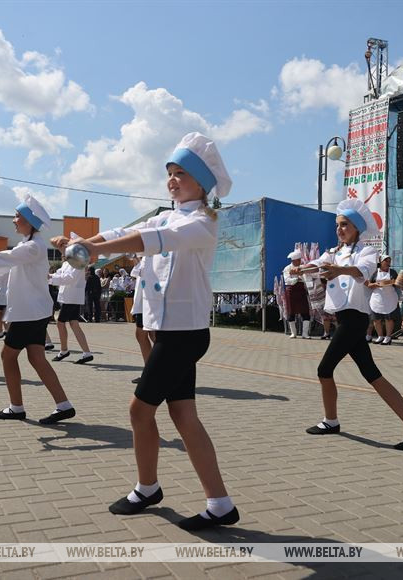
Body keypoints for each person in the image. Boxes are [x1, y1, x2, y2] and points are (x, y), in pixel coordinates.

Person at [52, 133, 239, 531]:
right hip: (169, 331)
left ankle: (147, 487)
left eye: (182, 173)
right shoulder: (168, 215)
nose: (172, 180)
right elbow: (126, 229)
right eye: (170, 173)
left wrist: (93, 250)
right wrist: (85, 241)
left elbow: (147, 241)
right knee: (183, 413)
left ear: (203, 182)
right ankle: (220, 503)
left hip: (183, 334)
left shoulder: (201, 222)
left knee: (139, 411)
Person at [296, 198, 403, 450]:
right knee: (373, 375)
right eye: (337, 225)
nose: (339, 229)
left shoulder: (366, 252)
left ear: (356, 227)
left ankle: (331, 421)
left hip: (355, 321)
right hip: (344, 320)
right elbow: (318, 264)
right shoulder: (335, 252)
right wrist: (300, 269)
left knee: (324, 370)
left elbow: (362, 272)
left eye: (344, 224)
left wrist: (339, 270)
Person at [0, 195, 77, 424]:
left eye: (17, 216)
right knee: (37, 358)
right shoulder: (27, 246)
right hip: (33, 311)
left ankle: (16, 407)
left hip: (28, 313)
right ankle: (63, 405)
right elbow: (0, 268)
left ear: (29, 221)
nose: (13, 220)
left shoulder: (32, 247)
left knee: (8, 356)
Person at [48, 260, 95, 364]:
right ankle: (87, 353)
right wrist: (49, 276)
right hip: (69, 297)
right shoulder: (66, 263)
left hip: (71, 297)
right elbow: (59, 274)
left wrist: (49, 277)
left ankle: (64, 350)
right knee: (74, 324)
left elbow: (69, 278)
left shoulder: (78, 262)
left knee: (60, 323)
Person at [129, 257, 154, 384]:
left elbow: (140, 270)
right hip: (142, 301)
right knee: (142, 334)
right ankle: (150, 372)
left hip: (151, 299)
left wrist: (136, 257)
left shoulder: (152, 252)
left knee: (157, 337)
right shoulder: (144, 256)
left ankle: (156, 372)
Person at [367, 254, 399, 345]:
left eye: (389, 261)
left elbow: (396, 283)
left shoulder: (393, 272)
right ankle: (380, 336)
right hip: (377, 299)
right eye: (386, 261)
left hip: (389, 298)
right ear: (380, 262)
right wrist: (375, 285)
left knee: (389, 319)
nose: (388, 263)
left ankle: (388, 337)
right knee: (376, 319)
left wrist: (394, 282)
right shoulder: (375, 273)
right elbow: (369, 285)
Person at [283, 249, 311, 338]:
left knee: (305, 312)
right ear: (293, 260)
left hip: (301, 291)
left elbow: (308, 278)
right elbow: (287, 280)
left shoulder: (303, 267)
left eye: (300, 260)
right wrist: (297, 279)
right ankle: (293, 333)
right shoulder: (287, 268)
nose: (300, 262)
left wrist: (301, 277)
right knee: (291, 313)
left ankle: (305, 334)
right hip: (291, 291)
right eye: (298, 260)